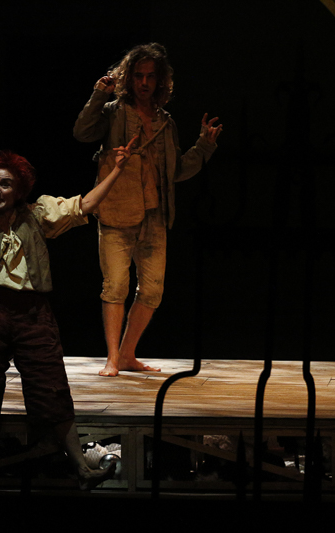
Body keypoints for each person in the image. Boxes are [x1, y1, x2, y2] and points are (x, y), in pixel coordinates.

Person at [0, 138, 136, 488]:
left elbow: (85, 205)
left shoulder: (38, 214)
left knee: (51, 388)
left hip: (32, 314)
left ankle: (82, 469)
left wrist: (117, 169)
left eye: (5, 184)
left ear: (19, 191)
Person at [73, 42, 223, 377]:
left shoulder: (165, 122)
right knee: (115, 286)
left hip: (155, 215)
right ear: (129, 77)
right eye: (138, 75)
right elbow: (82, 132)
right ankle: (112, 358)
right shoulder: (113, 112)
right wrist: (98, 95)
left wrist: (204, 146)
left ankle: (128, 354)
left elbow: (176, 171)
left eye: (150, 76)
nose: (144, 82)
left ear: (160, 80)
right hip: (117, 211)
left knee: (153, 290)